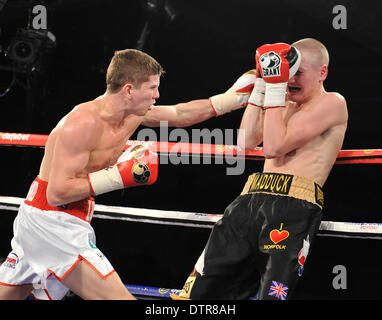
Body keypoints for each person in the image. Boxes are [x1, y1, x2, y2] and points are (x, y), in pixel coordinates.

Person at [0, 49, 256, 300]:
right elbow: (57, 193)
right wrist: (118, 176)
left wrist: (232, 99)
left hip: (61, 217)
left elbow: (180, 113)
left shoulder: (133, 113)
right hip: (52, 222)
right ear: (129, 90)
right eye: (152, 88)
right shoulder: (82, 123)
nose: (158, 95)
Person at [173, 38, 348, 300]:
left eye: (298, 73)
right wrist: (262, 87)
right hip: (248, 200)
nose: (289, 80)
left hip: (293, 206)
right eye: (287, 72)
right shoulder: (283, 102)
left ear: (322, 72)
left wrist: (275, 89)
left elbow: (274, 147)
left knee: (271, 296)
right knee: (200, 292)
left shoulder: (333, 102)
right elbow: (244, 143)